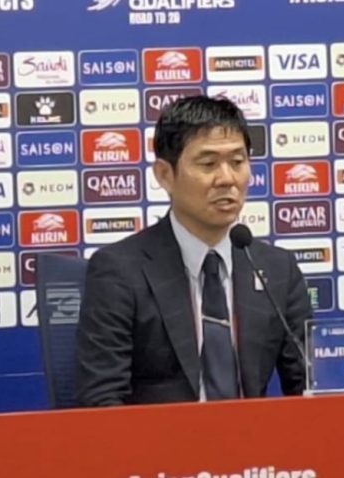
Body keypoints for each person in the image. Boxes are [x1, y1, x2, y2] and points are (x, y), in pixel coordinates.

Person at [75, 95, 312, 406]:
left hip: (253, 436)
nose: (227, 179)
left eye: (237, 162)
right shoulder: (119, 271)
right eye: (208, 164)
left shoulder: (277, 268)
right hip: (161, 436)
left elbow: (313, 384)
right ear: (165, 175)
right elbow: (101, 399)